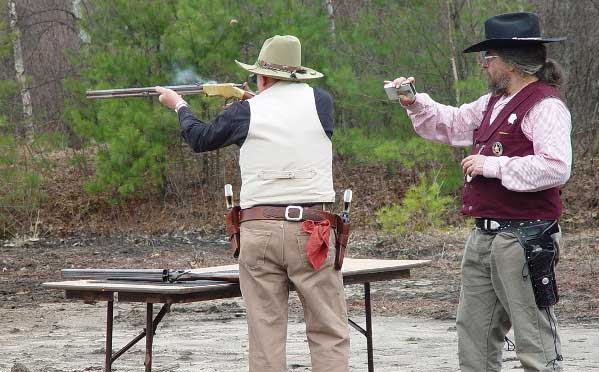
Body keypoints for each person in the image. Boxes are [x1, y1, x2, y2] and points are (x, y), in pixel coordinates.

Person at [387, 12, 571, 372]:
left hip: (525, 236)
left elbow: (556, 167)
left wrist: (494, 166)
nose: (484, 65)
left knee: (533, 336)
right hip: (484, 235)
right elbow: (453, 122)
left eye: (490, 58)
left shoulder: (545, 106)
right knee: (474, 331)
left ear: (513, 64)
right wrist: (413, 101)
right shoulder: (492, 103)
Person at [155, 35, 350, 372]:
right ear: (297, 73)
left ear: (262, 77)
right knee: (328, 330)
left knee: (265, 335)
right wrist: (249, 101)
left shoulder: (248, 111)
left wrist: (179, 106)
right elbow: (290, 123)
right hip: (313, 229)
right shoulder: (322, 101)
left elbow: (199, 138)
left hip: (259, 230)